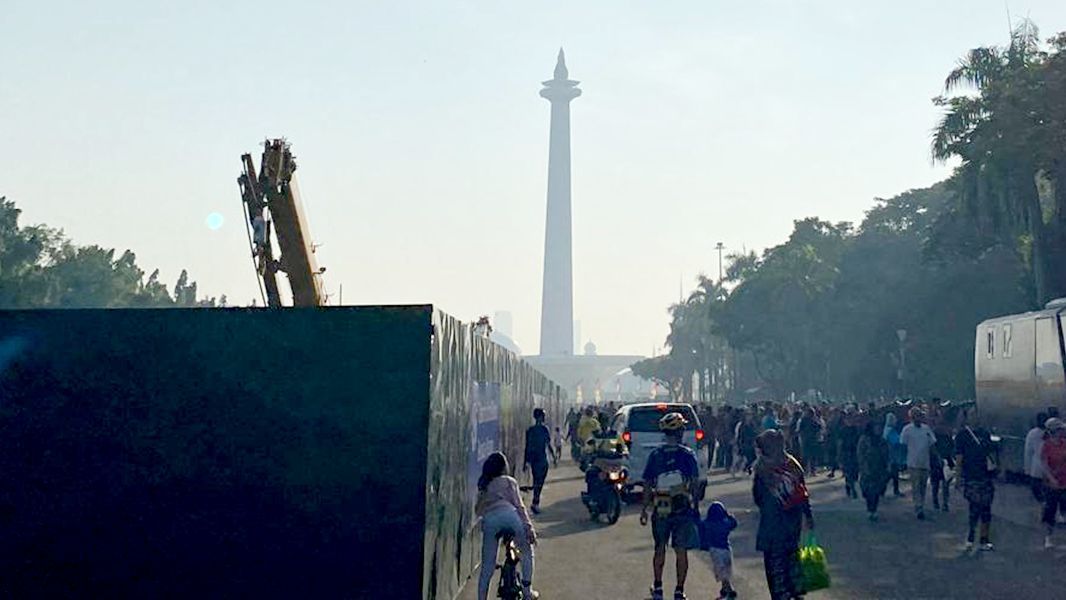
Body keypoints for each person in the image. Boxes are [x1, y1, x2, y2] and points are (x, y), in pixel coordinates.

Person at [640, 412, 701, 600]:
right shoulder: (687, 455)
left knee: (660, 548)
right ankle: (679, 591)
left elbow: (648, 484)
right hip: (682, 506)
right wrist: (695, 505)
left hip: (661, 505)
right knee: (681, 550)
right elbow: (695, 483)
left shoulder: (656, 455)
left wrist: (644, 508)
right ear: (681, 432)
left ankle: (658, 589)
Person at [753, 429, 814, 600]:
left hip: (771, 525)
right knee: (791, 557)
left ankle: (781, 594)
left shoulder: (762, 468)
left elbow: (757, 497)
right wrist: (808, 517)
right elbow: (803, 494)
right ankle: (794, 591)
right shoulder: (793, 465)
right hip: (792, 522)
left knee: (775, 564)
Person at [475, 452, 537, 600]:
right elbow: (519, 506)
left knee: (487, 567)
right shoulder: (509, 481)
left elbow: (478, 510)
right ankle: (527, 592)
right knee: (526, 551)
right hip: (510, 516)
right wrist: (529, 528)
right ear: (504, 467)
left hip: (490, 521)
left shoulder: (485, 484)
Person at [953, 411, 996, 552]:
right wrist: (958, 477)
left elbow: (991, 452)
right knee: (975, 508)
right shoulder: (962, 436)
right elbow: (959, 458)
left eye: (977, 415)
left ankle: (984, 538)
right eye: (972, 415)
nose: (975, 418)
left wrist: (997, 467)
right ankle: (971, 535)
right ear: (966, 418)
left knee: (986, 509)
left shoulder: (985, 434)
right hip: (971, 476)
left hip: (986, 476)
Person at [900, 408, 936, 519]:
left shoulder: (926, 429)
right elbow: (903, 444)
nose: (917, 418)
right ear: (911, 417)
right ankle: (918, 506)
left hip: (925, 462)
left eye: (919, 415)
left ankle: (921, 504)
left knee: (923, 485)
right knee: (916, 485)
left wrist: (936, 457)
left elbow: (932, 444)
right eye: (915, 416)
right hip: (913, 462)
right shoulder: (907, 429)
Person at [699, 501, 738, 600]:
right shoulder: (725, 524)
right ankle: (726, 590)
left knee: (721, 572)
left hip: (715, 550)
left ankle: (728, 590)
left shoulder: (708, 524)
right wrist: (728, 515)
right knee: (726, 571)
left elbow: (699, 524)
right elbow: (734, 523)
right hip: (726, 549)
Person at [1040, 417, 1066, 549]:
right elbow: (1044, 465)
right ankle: (1048, 537)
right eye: (1061, 429)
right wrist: (1051, 478)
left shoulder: (1064, 444)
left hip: (1064, 482)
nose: (1063, 431)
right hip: (1051, 485)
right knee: (1051, 511)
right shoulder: (1047, 445)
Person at [857, 419, 890, 521]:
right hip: (867, 468)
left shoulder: (882, 440)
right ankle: (869, 508)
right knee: (867, 490)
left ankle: (873, 510)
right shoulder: (864, 439)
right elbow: (860, 454)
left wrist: (887, 466)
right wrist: (862, 466)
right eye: (876, 427)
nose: (878, 429)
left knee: (876, 490)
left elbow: (886, 454)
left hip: (879, 468)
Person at [523, 408, 555, 514]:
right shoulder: (544, 429)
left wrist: (526, 462)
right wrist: (554, 456)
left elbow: (527, 447)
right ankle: (535, 502)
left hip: (533, 460)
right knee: (539, 481)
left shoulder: (530, 430)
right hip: (541, 459)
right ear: (540, 417)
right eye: (543, 415)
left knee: (536, 480)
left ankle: (535, 502)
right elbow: (548, 444)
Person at [930, 417, 956, 512]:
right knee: (944, 484)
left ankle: (937, 502)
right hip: (943, 461)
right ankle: (942, 503)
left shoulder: (934, 434)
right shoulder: (945, 435)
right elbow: (952, 448)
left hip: (938, 461)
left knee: (937, 484)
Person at [1025, 412, 1049, 503]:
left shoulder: (1032, 433)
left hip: (1036, 468)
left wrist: (1027, 470)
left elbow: (1028, 452)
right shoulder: (1052, 433)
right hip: (1050, 469)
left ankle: (1043, 505)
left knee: (1037, 491)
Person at [839, 408, 861, 499]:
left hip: (855, 454)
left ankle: (850, 487)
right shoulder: (843, 430)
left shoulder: (857, 429)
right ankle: (851, 489)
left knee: (855, 474)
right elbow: (840, 443)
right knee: (849, 473)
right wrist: (839, 456)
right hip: (846, 453)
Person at [883, 413, 905, 497]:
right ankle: (891, 490)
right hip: (892, 455)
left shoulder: (886, 429)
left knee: (892, 474)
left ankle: (886, 490)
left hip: (891, 455)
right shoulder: (890, 430)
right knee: (892, 473)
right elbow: (896, 441)